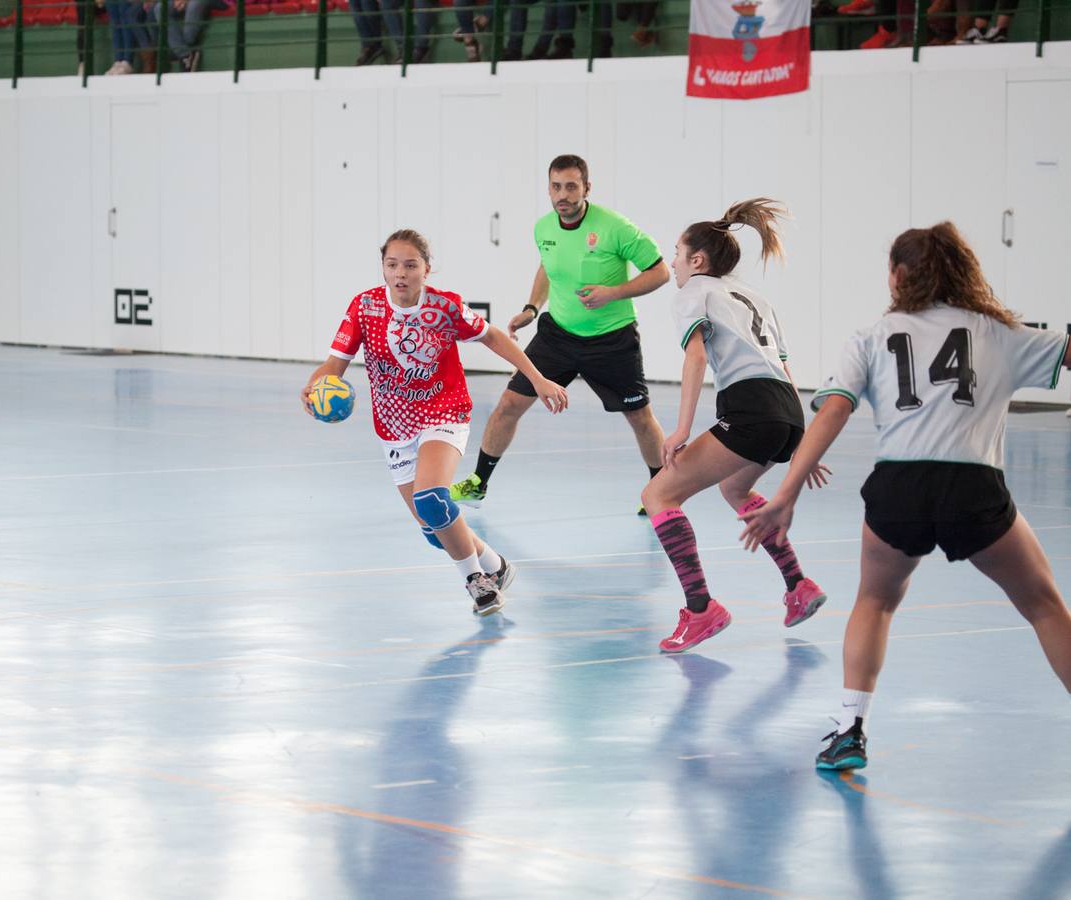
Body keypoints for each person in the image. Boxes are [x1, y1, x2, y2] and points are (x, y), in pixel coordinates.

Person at [739, 221, 1071, 770]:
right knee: (1044, 606)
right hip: (973, 488)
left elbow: (833, 412)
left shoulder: (872, 335)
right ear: (962, 272)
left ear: (896, 275)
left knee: (875, 602)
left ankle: (850, 730)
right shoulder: (998, 333)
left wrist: (785, 493)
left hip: (898, 489)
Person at [301, 229, 570, 616]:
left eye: (411, 265)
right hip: (394, 426)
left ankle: (478, 582)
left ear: (426, 269)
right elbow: (335, 364)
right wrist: (315, 385)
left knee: (432, 498)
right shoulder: (365, 307)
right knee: (434, 531)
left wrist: (538, 378)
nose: (401, 273)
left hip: (444, 412)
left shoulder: (444, 308)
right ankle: (496, 565)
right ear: (383, 268)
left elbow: (493, 337)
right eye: (392, 264)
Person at [639, 199, 830, 654]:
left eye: (677, 254)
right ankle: (798, 586)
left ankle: (701, 609)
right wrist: (802, 442)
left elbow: (697, 356)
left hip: (750, 408)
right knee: (736, 491)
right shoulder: (754, 298)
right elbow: (782, 367)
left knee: (658, 495)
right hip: (787, 408)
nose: (673, 263)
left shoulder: (693, 293)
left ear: (697, 260)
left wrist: (681, 428)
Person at [450, 154, 670, 513]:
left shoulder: (616, 227)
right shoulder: (544, 229)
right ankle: (478, 483)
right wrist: (532, 308)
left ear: (587, 187)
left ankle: (661, 491)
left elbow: (660, 273)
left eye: (571, 186)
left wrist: (613, 293)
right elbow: (547, 268)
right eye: (556, 187)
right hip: (558, 336)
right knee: (507, 406)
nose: (563, 195)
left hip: (612, 339)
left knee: (640, 417)